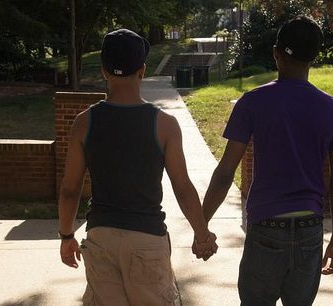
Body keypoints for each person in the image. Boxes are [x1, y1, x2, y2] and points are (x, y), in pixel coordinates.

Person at [58, 29, 217, 306]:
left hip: (101, 238)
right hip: (147, 239)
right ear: (142, 70)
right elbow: (182, 188)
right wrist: (202, 234)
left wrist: (66, 235)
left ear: (105, 71)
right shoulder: (165, 124)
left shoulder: (84, 123)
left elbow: (70, 189)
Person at [201, 16, 333, 306]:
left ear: (276, 52)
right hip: (309, 229)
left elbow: (224, 173)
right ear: (315, 57)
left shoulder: (253, 102)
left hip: (266, 228)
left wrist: (202, 226)